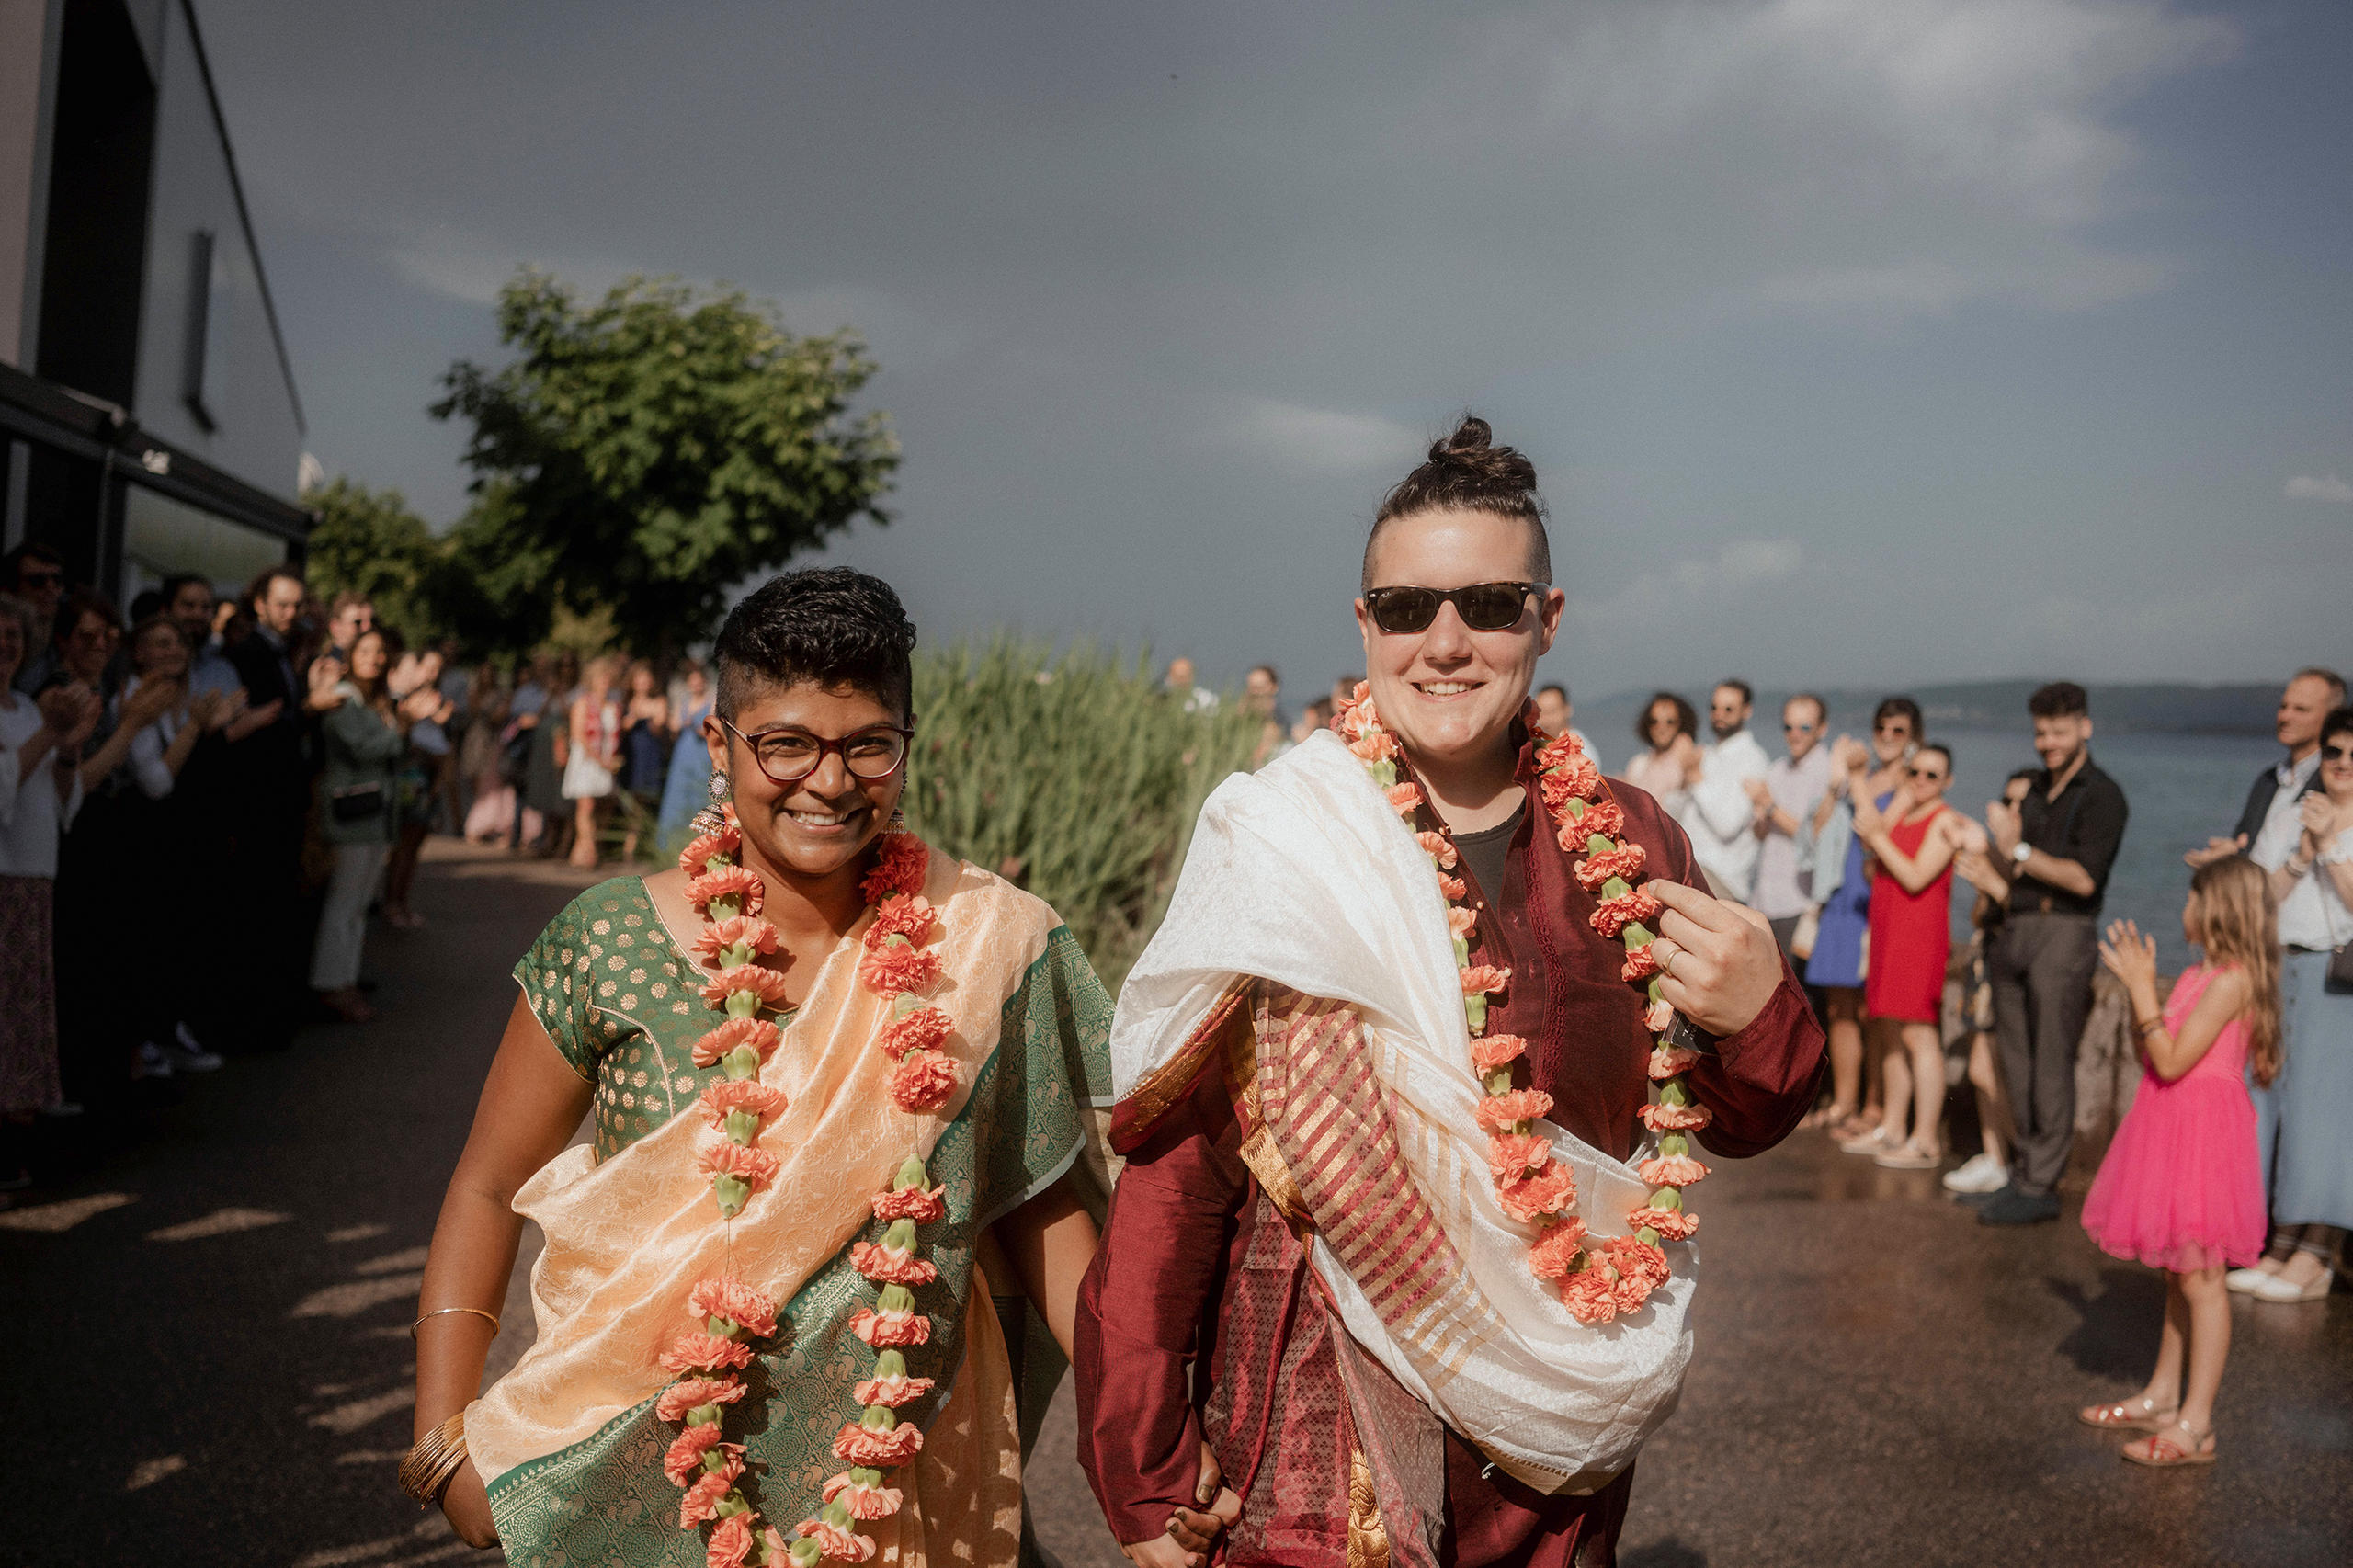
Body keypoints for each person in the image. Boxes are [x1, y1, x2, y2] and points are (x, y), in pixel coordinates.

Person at [1074, 418, 1824, 1568]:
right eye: (1407, 607)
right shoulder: (1285, 837)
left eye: (1488, 604)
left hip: (1557, 1447)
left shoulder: (1627, 839)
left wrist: (1758, 1008)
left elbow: (1736, 1117)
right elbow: (1175, 1172)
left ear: (1547, 618)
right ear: (1362, 620)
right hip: (1315, 1440)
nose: (1446, 642)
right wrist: (1143, 1466)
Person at [409, 568, 1111, 1566]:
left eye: (869, 744)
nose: (829, 781)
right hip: (634, 1480)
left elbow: (1040, 1209)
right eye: (785, 742)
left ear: (908, 742)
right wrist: (443, 1438)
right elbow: (485, 1182)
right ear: (717, 742)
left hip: (903, 1492)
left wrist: (1146, 1450)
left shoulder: (980, 942)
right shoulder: (607, 942)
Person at [2075, 858, 2278, 1466]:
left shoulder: (2231, 982)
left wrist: (2140, 988)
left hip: (2205, 1139)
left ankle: (2198, 1423)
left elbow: (2172, 1060)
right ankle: (2164, 1395)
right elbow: (2154, 1048)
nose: (2182, 910)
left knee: (2203, 1280)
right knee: (2177, 1271)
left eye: (2190, 899)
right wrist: (2147, 998)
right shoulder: (2197, 975)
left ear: (2214, 909)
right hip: (2171, 1128)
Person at [1979, 681, 2130, 1226]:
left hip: (2064, 932)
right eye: (2041, 732)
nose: (2049, 742)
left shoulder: (2103, 795)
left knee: (2049, 1062)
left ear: (2085, 727)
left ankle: (2042, 1183)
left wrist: (2015, 846)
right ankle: (2023, 1175)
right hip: (2014, 928)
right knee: (2017, 1063)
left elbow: (2084, 879)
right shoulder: (2036, 788)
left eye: (2060, 731)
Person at [2233, 704, 2353, 1301]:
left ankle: (2318, 1254)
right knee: (2277, 1103)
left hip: (2338, 976)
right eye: (2335, 752)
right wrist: (2305, 851)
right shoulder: (2295, 810)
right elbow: (2262, 894)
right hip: (2282, 966)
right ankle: (2280, 1242)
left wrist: (2332, 844)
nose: (2343, 764)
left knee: (2326, 1116)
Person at [1, 592, 98, 1179]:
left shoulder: (29, 709)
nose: (6, 650)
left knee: (22, 1017)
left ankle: (17, 1136)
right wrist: (50, 735)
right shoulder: (33, 716)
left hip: (34, 877)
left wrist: (68, 749)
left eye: (13, 639)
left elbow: (62, 802)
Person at [1804, 699, 1920, 1135]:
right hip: (1842, 894)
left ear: (1913, 738)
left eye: (1899, 731)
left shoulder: (1910, 784)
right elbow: (1817, 827)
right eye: (1882, 729)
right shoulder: (1862, 779)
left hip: (1875, 899)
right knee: (1839, 1007)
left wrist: (1854, 778)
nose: (1888, 738)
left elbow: (1876, 834)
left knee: (1873, 1010)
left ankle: (1873, 1106)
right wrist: (1841, 783)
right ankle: (1845, 1101)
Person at [1844, 744, 1961, 1169]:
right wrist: (1881, 824)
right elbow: (1872, 861)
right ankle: (1893, 1127)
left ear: (1947, 782)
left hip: (1920, 937)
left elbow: (1915, 876)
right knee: (1891, 1030)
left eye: (1932, 775)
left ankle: (1926, 1138)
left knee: (1919, 1035)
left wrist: (1877, 837)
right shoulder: (1903, 810)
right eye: (1915, 772)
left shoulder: (1945, 820)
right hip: (1888, 931)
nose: (1921, 781)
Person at [312, 628, 437, 1023]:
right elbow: (365, 748)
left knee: (359, 903)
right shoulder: (344, 698)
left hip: (373, 813)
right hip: (351, 812)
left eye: (381, 651)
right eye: (365, 650)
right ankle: (331, 985)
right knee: (345, 902)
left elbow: (389, 752)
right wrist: (401, 726)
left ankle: (344, 980)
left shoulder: (374, 700)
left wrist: (400, 729)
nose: (375, 658)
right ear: (350, 656)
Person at [1942, 771, 2036, 1196]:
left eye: (2024, 803)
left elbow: (2037, 923)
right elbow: (1982, 917)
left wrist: (1997, 885)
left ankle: (2018, 1163)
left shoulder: (2034, 860)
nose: (2014, 811)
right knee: (1982, 1069)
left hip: (2016, 976)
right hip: (1987, 969)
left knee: (1995, 1071)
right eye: (2008, 800)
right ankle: (1996, 1157)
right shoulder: (1999, 855)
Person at [2185, 668, 2345, 869]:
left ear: (2331, 718)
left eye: (2301, 709)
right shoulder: (2267, 780)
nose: (2286, 716)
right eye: (2283, 706)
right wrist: (2231, 857)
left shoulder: (2336, 782)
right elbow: (2251, 848)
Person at [1749, 694, 1833, 960]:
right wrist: (1761, 816)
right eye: (1789, 727)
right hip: (1765, 897)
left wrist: (1770, 806)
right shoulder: (1777, 769)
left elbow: (1815, 835)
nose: (1795, 734)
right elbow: (1759, 834)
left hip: (1799, 899)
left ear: (1822, 729)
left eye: (1804, 727)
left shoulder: (1827, 773)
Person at [561, 654, 623, 869]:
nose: (604, 682)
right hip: (587, 761)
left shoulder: (614, 706)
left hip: (605, 759)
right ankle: (590, 849)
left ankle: (580, 851)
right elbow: (579, 735)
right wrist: (600, 760)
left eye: (607, 678)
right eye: (600, 678)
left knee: (602, 806)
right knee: (586, 805)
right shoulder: (582, 703)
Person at [656, 659, 717, 858]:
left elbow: (712, 729)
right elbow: (673, 726)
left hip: (701, 754)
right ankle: (670, 845)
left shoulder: (712, 701)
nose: (696, 684)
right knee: (677, 795)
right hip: (683, 753)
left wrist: (696, 727)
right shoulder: (684, 702)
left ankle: (699, 844)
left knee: (699, 794)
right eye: (692, 681)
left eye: (699, 681)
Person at [618, 658, 672, 861]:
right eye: (639, 679)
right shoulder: (626, 702)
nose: (643, 683)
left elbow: (659, 726)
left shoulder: (660, 702)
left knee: (643, 800)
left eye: (646, 679)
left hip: (649, 756)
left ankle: (631, 846)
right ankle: (629, 842)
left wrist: (641, 716)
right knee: (628, 801)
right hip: (631, 756)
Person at [1622, 691, 1699, 824]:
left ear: (1681, 724)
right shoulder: (1638, 764)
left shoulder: (1688, 760)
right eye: (1654, 721)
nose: (1661, 728)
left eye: (1670, 722)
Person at [6, 543, 67, 696]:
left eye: (57, 580)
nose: (50, 587)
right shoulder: (6, 642)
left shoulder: (63, 640)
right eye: (38, 581)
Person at [1533, 682, 1589, 755]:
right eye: (1541, 713)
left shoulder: (1581, 750)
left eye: (1552, 712)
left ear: (1567, 709)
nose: (1546, 720)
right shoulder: (1538, 746)